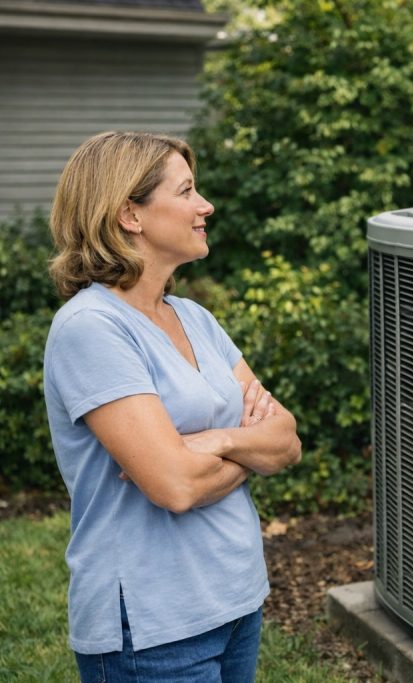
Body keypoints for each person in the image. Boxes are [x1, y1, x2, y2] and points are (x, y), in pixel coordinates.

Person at [43, 131, 302, 682]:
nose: (204, 206)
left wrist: (217, 441)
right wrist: (241, 447)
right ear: (129, 215)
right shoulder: (92, 329)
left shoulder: (193, 317)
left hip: (235, 598)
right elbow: (175, 486)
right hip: (154, 625)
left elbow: (286, 441)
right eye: (186, 192)